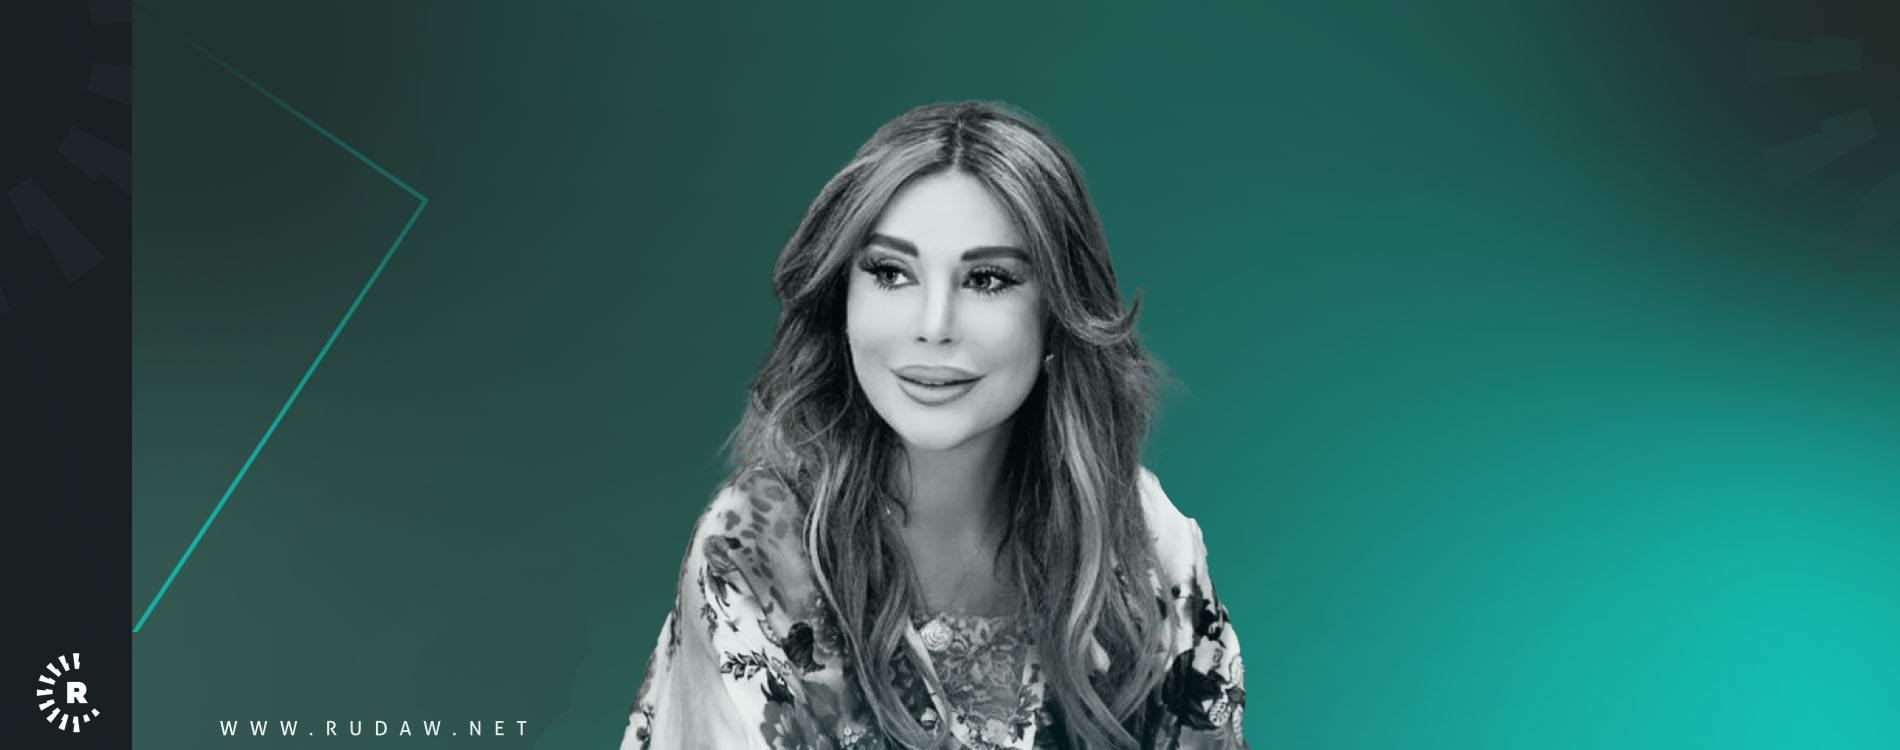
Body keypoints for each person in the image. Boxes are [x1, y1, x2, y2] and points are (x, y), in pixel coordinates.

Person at [619, 101, 1246, 750]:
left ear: (1060, 315)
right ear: (842, 300)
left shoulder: (1144, 547)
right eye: (891, 273)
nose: (934, 325)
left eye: (987, 279)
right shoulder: (758, 548)